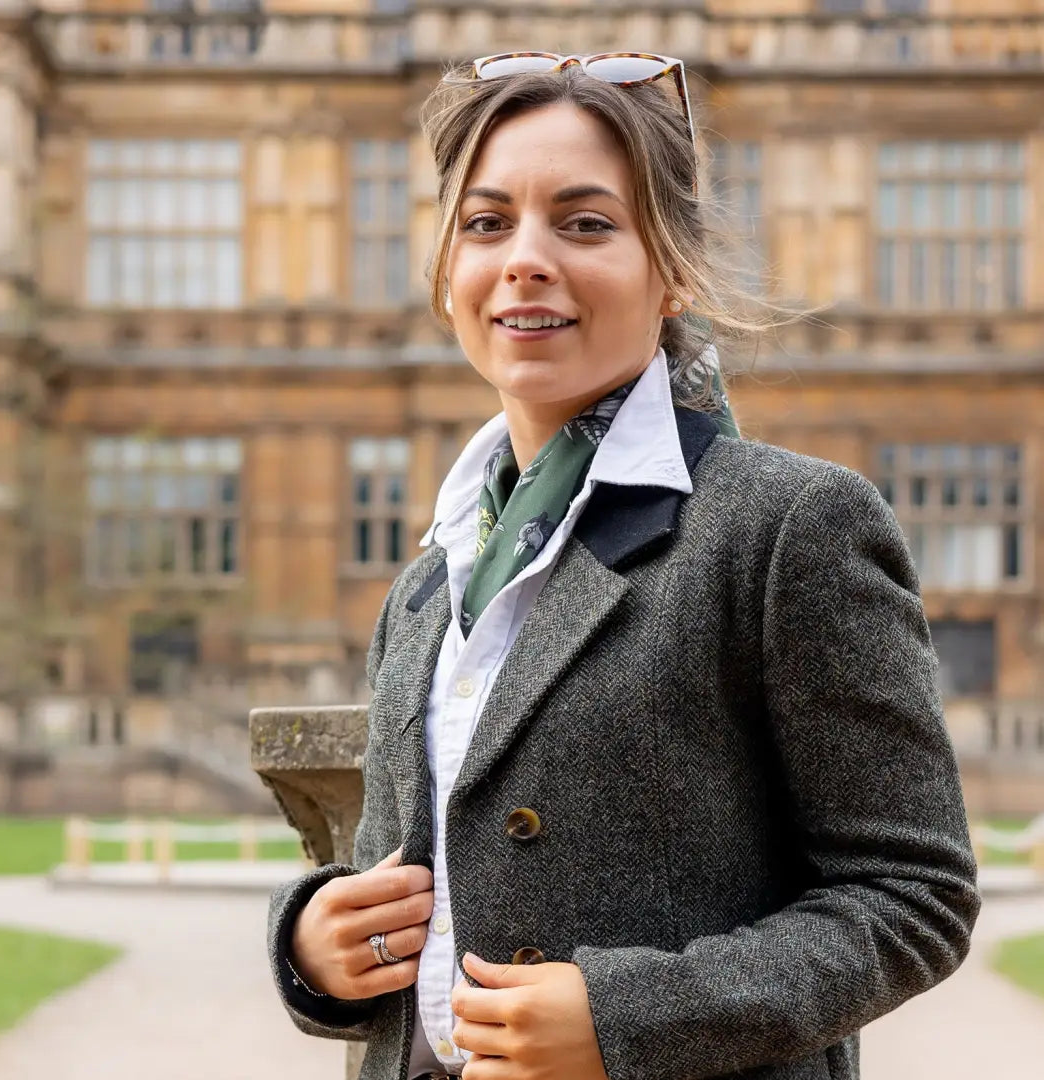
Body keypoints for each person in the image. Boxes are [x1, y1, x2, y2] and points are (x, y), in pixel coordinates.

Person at [267, 53, 980, 1080]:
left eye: (586, 222)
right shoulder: (428, 580)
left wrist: (627, 1017)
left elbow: (914, 898)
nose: (525, 258)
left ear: (673, 268)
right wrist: (312, 950)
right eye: (485, 223)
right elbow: (410, 900)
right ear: (444, 273)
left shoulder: (786, 528)